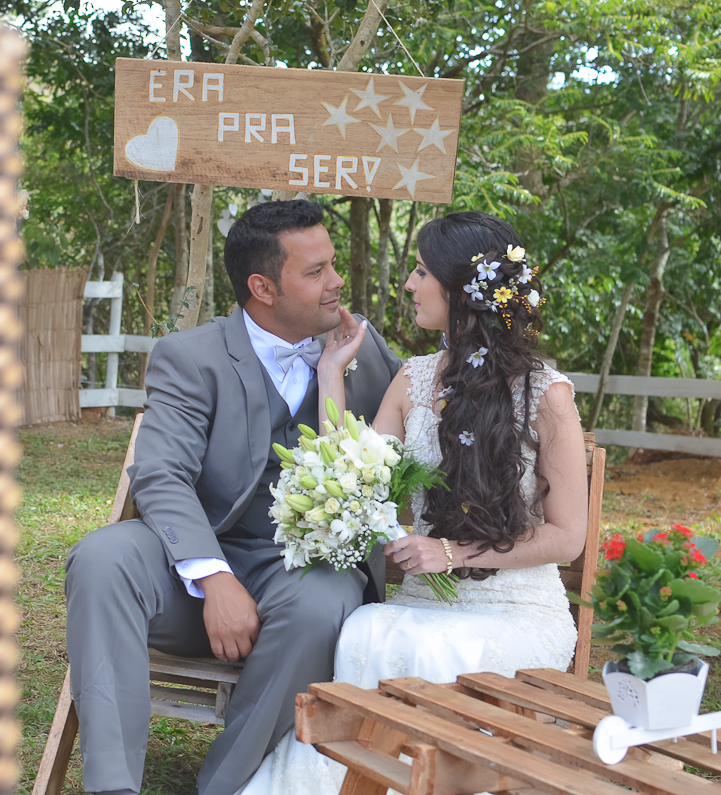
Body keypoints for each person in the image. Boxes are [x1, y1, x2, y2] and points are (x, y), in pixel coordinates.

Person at [237, 210, 587, 795]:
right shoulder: (415, 381)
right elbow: (353, 476)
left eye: (422, 272)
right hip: (426, 603)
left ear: (460, 290)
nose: (408, 285)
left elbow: (568, 537)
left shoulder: (545, 395)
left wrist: (451, 550)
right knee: (366, 630)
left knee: (432, 646)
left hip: (518, 611)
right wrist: (332, 373)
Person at [63, 200, 402, 795]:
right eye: (316, 271)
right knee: (102, 559)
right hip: (195, 565)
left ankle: (222, 787)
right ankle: (112, 787)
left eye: (332, 265)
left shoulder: (364, 354)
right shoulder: (191, 357)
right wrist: (213, 577)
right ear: (262, 287)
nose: (337, 282)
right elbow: (161, 473)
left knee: (322, 606)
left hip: (299, 572)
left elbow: (435, 418)